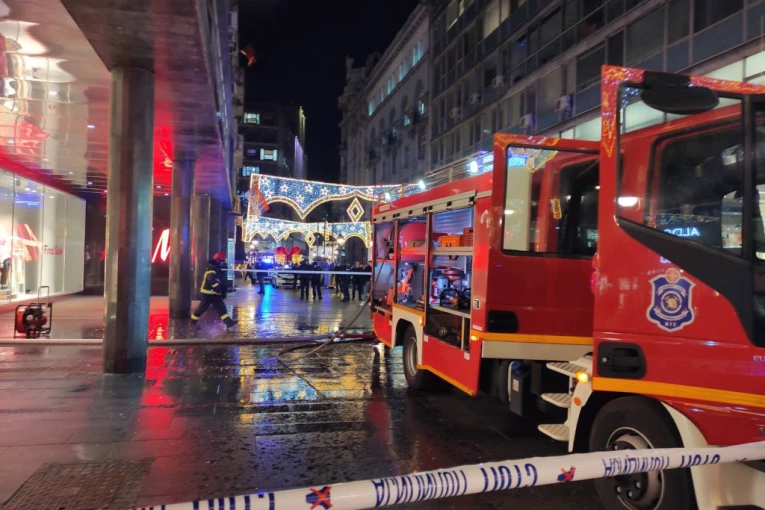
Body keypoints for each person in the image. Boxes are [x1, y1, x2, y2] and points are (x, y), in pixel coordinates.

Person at [191, 252, 237, 329]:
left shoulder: (216, 268)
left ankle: (229, 322)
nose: (223, 262)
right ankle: (193, 322)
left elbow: (219, 279)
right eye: (222, 261)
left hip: (214, 293)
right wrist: (217, 288)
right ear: (218, 260)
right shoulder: (211, 268)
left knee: (221, 307)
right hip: (207, 293)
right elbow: (212, 279)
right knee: (202, 308)